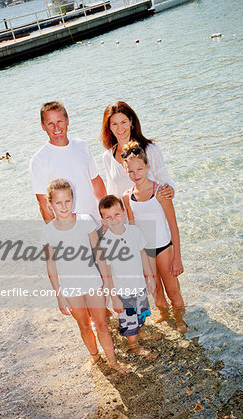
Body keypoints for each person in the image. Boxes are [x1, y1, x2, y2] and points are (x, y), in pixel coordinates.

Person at [41, 178, 129, 374]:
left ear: (73, 199)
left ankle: (113, 362)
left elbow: (100, 256)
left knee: (102, 324)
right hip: (70, 287)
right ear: (50, 204)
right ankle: (95, 357)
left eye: (67, 201)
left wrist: (108, 285)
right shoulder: (48, 232)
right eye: (58, 202)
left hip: (92, 282)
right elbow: (51, 265)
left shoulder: (85, 221)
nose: (63, 206)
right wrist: (59, 295)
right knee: (83, 325)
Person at [101, 100, 176, 320]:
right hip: (130, 226)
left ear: (131, 121)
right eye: (114, 124)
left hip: (153, 219)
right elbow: (112, 191)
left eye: (124, 121)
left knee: (169, 278)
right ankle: (164, 316)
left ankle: (180, 317)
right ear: (109, 127)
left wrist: (170, 189)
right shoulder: (108, 156)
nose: (120, 127)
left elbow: (163, 176)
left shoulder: (149, 149)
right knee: (150, 279)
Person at [121, 141, 187, 333]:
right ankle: (164, 315)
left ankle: (180, 320)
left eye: (139, 169)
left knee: (172, 289)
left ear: (147, 167)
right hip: (145, 252)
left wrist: (177, 257)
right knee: (156, 289)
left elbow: (173, 226)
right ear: (126, 171)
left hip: (164, 248)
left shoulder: (160, 191)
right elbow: (132, 230)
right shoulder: (127, 197)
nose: (136, 175)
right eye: (131, 171)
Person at [99, 195, 159, 359]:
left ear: (124, 213)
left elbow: (143, 254)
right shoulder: (106, 242)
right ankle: (134, 346)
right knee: (128, 321)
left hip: (139, 285)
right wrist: (114, 297)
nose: (114, 219)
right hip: (122, 292)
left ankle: (139, 333)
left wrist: (150, 277)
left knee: (141, 313)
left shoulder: (134, 231)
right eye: (108, 217)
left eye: (117, 214)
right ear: (103, 220)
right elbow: (108, 273)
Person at [30, 101, 106, 224]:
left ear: (67, 121)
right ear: (43, 126)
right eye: (50, 123)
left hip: (95, 221)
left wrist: (106, 214)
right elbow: (44, 205)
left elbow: (96, 182)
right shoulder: (39, 160)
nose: (56, 128)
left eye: (60, 121)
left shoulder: (82, 145)